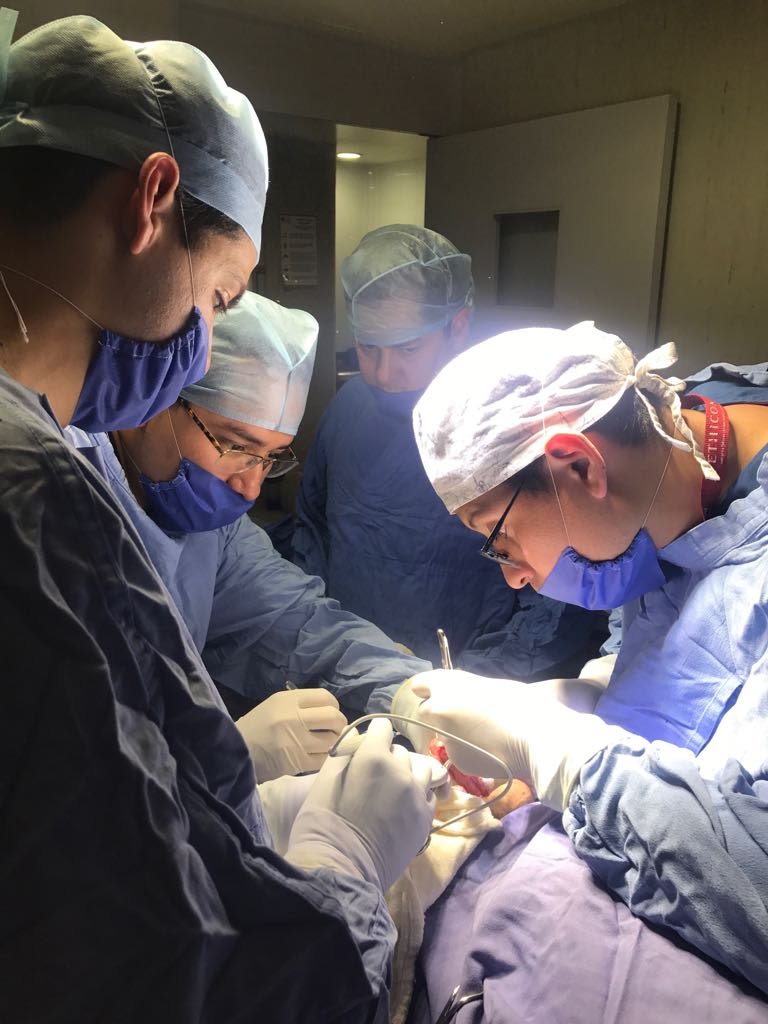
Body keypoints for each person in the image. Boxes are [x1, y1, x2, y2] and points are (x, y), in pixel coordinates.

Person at [0, 13, 433, 1021]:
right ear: (152, 197)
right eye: (216, 296)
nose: (196, 346)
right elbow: (177, 974)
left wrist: (415, 688)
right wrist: (337, 857)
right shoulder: (38, 490)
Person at [399, 320, 768, 995]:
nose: (511, 575)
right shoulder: (676, 453)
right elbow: (688, 626)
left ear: (579, 465)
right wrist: (599, 689)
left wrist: (561, 752)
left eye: (499, 536)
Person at [67, 289, 434, 782]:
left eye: (271, 457)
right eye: (238, 445)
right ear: (154, 395)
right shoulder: (55, 505)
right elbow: (51, 760)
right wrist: (213, 757)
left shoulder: (211, 530)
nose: (251, 485)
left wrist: (414, 692)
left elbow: (295, 621)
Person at [281, 223, 602, 675]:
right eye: (368, 349)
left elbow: (559, 586)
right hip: (350, 662)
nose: (384, 373)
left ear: (459, 325)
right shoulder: (350, 408)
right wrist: (323, 640)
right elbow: (312, 529)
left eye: (408, 349)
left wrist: (479, 685)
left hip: (474, 678)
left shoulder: (509, 419)